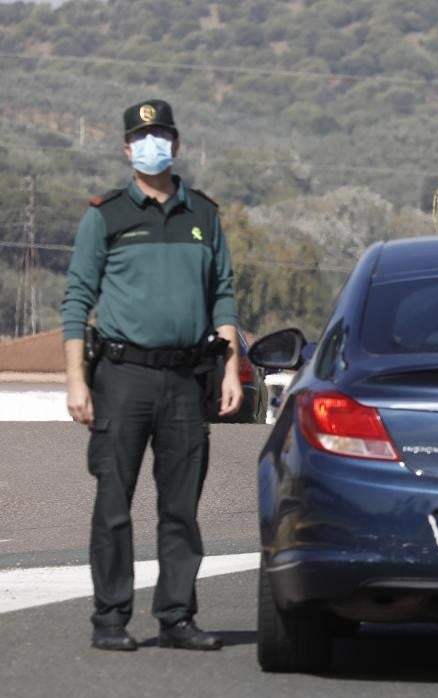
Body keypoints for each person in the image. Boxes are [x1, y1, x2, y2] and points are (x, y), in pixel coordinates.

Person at [61, 99, 242, 652]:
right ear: (125, 148)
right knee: (114, 505)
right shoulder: (106, 215)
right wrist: (76, 380)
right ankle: (110, 619)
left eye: (160, 133)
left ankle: (176, 617)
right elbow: (76, 299)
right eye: (141, 136)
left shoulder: (204, 216)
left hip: (187, 380)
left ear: (177, 144)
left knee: (181, 507)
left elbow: (224, 296)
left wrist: (231, 368)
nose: (151, 144)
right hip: (122, 377)